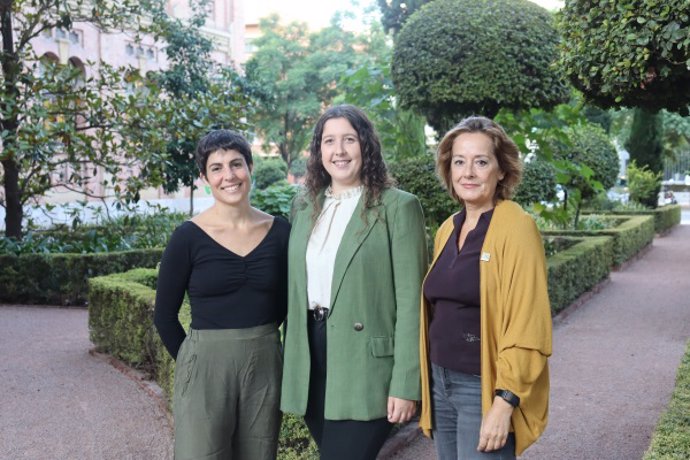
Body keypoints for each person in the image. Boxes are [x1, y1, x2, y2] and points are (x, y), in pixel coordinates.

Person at [280, 104, 428, 460]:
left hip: (366, 364)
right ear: (319, 152)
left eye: (349, 139)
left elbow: (413, 303)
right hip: (311, 357)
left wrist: (407, 383)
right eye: (329, 141)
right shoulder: (303, 207)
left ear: (366, 146)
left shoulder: (398, 207)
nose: (339, 151)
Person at [419, 116, 552, 459]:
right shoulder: (448, 228)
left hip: (481, 387)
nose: (469, 173)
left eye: (481, 162)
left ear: (502, 170)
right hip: (440, 382)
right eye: (459, 162)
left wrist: (505, 401)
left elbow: (529, 322)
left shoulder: (516, 227)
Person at [153, 129, 289, 460]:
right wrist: (193, 362)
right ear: (204, 178)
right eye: (217, 168)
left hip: (264, 363)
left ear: (250, 167)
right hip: (204, 367)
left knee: (259, 452)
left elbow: (288, 300)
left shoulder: (281, 231)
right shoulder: (187, 237)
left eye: (236, 164)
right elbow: (164, 315)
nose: (229, 176)